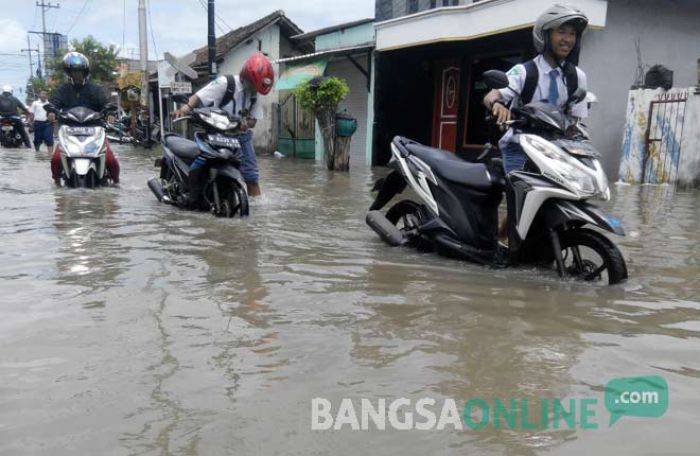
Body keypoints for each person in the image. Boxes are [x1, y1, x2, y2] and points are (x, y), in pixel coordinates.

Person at [483, 3, 589, 175]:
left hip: (557, 152)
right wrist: (497, 104)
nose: (568, 39)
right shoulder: (525, 71)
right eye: (561, 32)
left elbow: (577, 121)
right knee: (520, 195)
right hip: (521, 147)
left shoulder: (577, 77)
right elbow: (491, 95)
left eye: (572, 34)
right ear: (545, 35)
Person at [173, 52, 274, 203]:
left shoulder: (255, 94)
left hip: (240, 137)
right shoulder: (225, 83)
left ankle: (257, 210)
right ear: (245, 77)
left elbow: (254, 119)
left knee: (252, 177)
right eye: (252, 85)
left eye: (256, 88)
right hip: (217, 134)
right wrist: (185, 109)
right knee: (202, 162)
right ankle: (190, 192)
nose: (254, 90)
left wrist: (247, 123)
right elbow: (199, 96)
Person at [49, 52, 120, 184]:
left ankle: (116, 183)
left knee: (110, 160)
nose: (77, 75)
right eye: (74, 72)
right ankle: (57, 183)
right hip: (69, 130)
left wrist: (110, 113)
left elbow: (106, 103)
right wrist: (51, 112)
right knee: (56, 159)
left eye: (80, 72)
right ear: (68, 73)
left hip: (94, 129)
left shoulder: (96, 89)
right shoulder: (62, 90)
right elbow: (53, 103)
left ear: (85, 72)